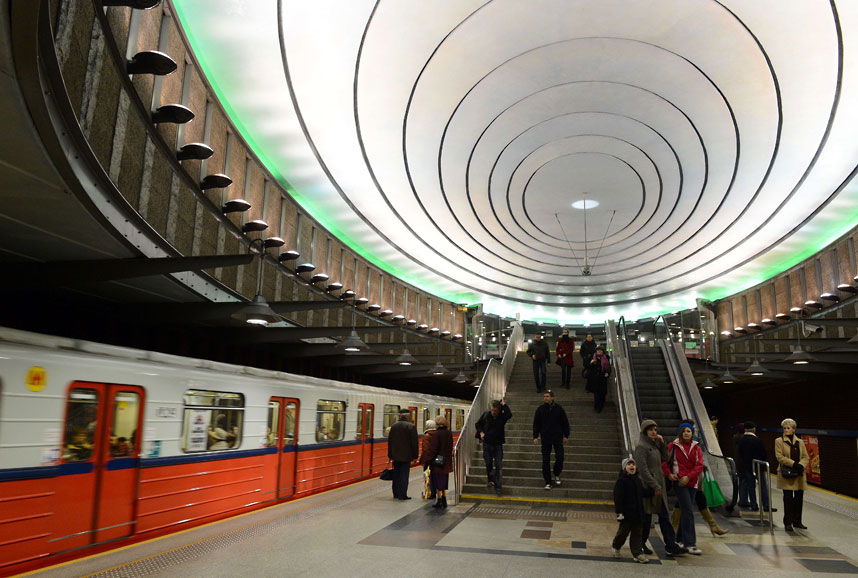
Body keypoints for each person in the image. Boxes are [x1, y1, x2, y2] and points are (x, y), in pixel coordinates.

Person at [633, 419, 687, 557]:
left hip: (658, 487)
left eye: (655, 430)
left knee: (663, 516)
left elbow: (666, 457)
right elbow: (643, 470)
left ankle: (670, 545)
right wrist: (655, 485)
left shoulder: (654, 446)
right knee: (647, 517)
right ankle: (640, 543)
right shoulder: (641, 447)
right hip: (650, 487)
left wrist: (662, 443)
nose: (654, 432)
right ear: (645, 431)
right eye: (651, 430)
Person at [669, 420, 729, 537]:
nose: (695, 430)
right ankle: (679, 528)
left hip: (695, 477)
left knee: (696, 499)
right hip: (685, 478)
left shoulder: (694, 442)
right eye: (694, 428)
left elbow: (696, 458)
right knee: (690, 501)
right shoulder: (678, 443)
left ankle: (711, 525)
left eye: (693, 429)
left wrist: (701, 466)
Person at [663, 423, 704, 555]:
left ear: (692, 433)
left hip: (692, 482)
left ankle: (679, 539)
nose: (686, 433)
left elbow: (699, 465)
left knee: (687, 511)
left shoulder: (696, 448)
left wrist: (689, 477)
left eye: (688, 431)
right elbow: (663, 461)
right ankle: (690, 543)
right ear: (680, 433)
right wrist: (669, 474)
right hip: (679, 482)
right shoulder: (673, 446)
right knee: (688, 511)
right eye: (684, 431)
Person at [612, 457, 652, 564]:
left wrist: (651, 491)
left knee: (637, 534)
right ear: (624, 468)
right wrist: (619, 511)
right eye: (629, 464)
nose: (631, 466)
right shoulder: (621, 481)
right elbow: (618, 497)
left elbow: (642, 492)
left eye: (633, 464)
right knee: (623, 533)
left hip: (638, 513)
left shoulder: (637, 480)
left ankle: (637, 553)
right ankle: (616, 546)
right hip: (627, 513)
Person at [775, 418, 810, 532]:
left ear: (793, 429)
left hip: (799, 473)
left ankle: (797, 521)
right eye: (784, 428)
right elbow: (780, 457)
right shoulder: (779, 441)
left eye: (788, 428)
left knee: (799, 498)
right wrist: (794, 464)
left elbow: (805, 457)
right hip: (787, 473)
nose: (786, 430)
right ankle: (788, 522)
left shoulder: (800, 442)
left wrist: (801, 465)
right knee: (788, 499)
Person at [532, 390, 569, 490]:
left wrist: (566, 435)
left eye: (547, 396)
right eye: (544, 396)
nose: (545, 398)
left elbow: (565, 422)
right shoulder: (540, 409)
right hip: (546, 437)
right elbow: (536, 424)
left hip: (557, 436)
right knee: (545, 460)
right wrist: (535, 436)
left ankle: (556, 473)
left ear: (552, 397)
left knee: (560, 457)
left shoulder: (559, 409)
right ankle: (548, 481)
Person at [475, 399, 512, 496]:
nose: (493, 412)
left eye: (495, 411)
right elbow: (478, 424)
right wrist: (481, 432)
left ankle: (498, 487)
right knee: (488, 463)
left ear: (499, 410)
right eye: (492, 410)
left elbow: (509, 415)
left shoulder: (502, 417)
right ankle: (490, 480)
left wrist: (504, 405)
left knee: (498, 465)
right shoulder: (486, 415)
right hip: (487, 444)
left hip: (498, 444)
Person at [736, 421, 774, 512]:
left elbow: (740, 453)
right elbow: (763, 453)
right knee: (763, 486)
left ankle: (754, 505)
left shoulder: (742, 440)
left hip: (747, 467)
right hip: (759, 466)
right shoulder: (757, 440)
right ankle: (766, 505)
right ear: (754, 429)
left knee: (751, 486)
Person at [388, 410, 419, 500]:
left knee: (396, 475)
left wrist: (390, 455)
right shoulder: (411, 427)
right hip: (406, 456)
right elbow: (414, 443)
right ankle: (402, 495)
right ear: (408, 416)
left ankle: (396, 493)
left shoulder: (394, 426)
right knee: (404, 476)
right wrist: (415, 456)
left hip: (395, 456)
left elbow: (390, 442)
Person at [425, 415, 454, 508]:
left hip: (438, 461)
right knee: (444, 480)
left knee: (438, 481)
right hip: (447, 460)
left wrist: (428, 461)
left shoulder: (437, 434)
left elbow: (433, 450)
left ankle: (440, 500)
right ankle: (444, 499)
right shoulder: (449, 433)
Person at [587, 345, 611, 412]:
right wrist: (591, 363)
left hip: (603, 378)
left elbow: (608, 368)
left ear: (603, 351)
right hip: (595, 379)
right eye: (598, 350)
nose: (599, 351)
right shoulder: (593, 358)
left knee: (602, 393)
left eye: (600, 350)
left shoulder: (606, 358)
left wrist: (607, 374)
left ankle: (601, 404)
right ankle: (597, 407)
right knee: (596, 393)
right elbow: (589, 369)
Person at [421, 420, 437, 500]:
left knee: (427, 477)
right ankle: (434, 492)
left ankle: (429, 493)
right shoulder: (437, 434)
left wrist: (423, 461)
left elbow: (425, 450)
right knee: (434, 476)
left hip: (428, 460)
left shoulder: (427, 436)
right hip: (436, 459)